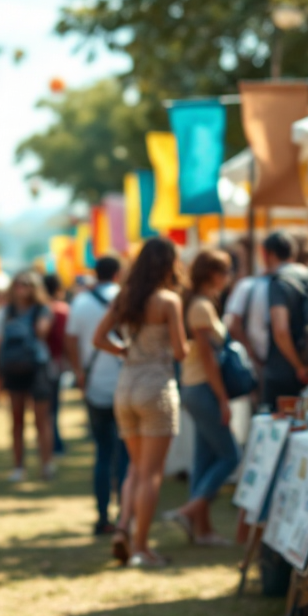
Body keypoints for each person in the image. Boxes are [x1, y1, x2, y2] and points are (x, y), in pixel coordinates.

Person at [92, 237, 188, 568]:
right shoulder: (168, 301)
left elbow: (98, 338)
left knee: (135, 468)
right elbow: (180, 351)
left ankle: (123, 529)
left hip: (126, 385)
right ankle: (142, 547)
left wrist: (124, 351)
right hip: (156, 386)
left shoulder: (125, 296)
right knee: (151, 474)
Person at [168, 250, 240, 546]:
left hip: (194, 386)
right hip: (203, 388)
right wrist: (222, 399)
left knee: (204, 458)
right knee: (230, 456)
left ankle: (203, 529)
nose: (229, 277)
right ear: (213, 274)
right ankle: (188, 511)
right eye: (226, 271)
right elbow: (209, 359)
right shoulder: (200, 306)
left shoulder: (197, 303)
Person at [65, 255, 128, 536]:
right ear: (117, 273)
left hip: (94, 383)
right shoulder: (126, 298)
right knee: (125, 453)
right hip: (126, 382)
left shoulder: (81, 302)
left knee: (103, 452)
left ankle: (103, 516)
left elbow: (71, 340)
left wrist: (79, 371)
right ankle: (125, 515)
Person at [0, 271, 56, 483]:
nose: (22, 289)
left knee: (41, 419)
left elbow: (43, 332)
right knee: (17, 420)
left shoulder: (42, 309)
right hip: (13, 368)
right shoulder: (5, 312)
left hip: (37, 367)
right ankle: (19, 466)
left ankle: (46, 464)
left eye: (27, 284)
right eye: (19, 284)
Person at [260, 232, 304, 408]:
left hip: (284, 371)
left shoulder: (279, 281)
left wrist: (299, 366)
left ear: (268, 254)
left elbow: (281, 331)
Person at [42, 273, 70, 456]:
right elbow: (65, 339)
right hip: (56, 362)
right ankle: (55, 442)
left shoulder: (41, 309)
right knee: (53, 406)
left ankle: (50, 441)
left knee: (46, 407)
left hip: (41, 363)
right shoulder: (61, 310)